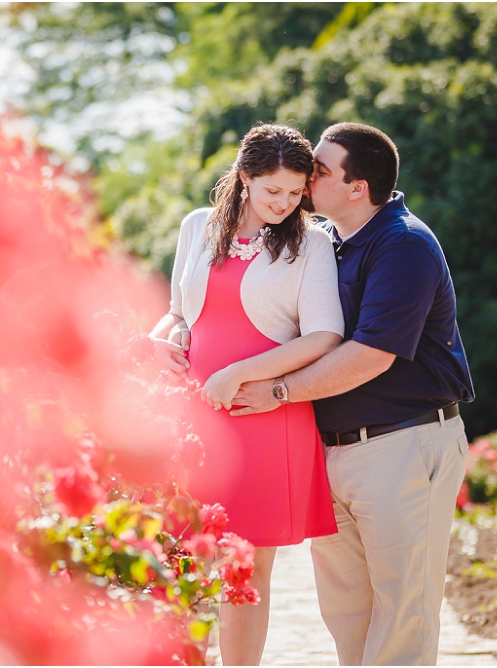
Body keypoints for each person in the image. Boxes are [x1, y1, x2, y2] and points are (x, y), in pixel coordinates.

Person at [230, 122, 474, 666]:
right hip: (333, 450)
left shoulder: (403, 244)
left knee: (403, 611)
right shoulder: (328, 245)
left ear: (356, 186)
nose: (304, 178)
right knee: (348, 613)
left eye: (318, 170)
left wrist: (278, 391)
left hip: (403, 447)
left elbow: (371, 355)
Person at [149, 123, 344, 666]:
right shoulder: (197, 227)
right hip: (191, 415)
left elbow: (325, 334)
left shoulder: (312, 243)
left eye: (295, 191)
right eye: (271, 191)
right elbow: (178, 312)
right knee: (182, 557)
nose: (284, 203)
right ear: (244, 178)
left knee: (246, 567)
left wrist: (239, 374)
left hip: (262, 413)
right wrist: (154, 340)